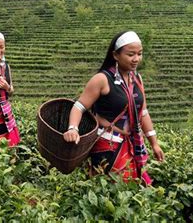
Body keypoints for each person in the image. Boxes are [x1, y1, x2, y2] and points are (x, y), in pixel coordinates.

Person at [63, 31, 164, 185]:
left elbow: (143, 113)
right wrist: (73, 128)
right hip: (107, 145)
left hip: (130, 143)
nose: (136, 59)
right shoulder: (102, 79)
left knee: (133, 190)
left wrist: (154, 144)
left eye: (139, 54)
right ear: (116, 55)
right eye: (131, 54)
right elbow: (79, 106)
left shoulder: (136, 79)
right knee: (108, 189)